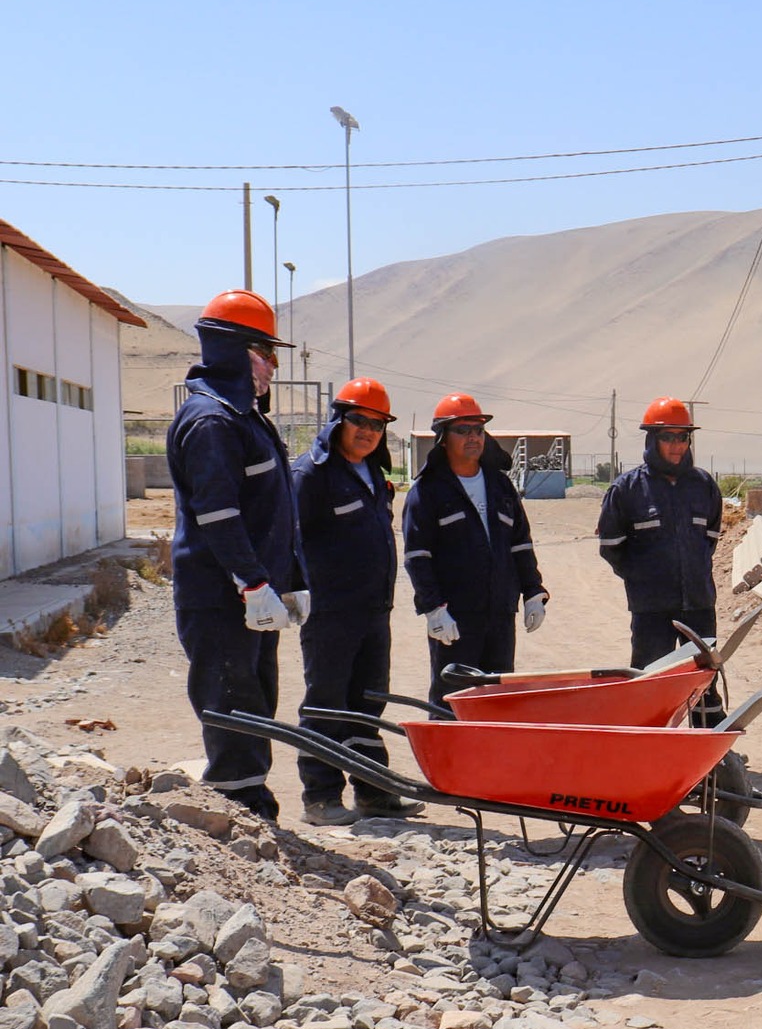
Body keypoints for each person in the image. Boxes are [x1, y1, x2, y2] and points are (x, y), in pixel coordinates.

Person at [166, 289, 306, 822]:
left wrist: (289, 580)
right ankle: (236, 810)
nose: (272, 365)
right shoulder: (212, 421)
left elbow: (276, 512)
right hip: (221, 598)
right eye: (265, 352)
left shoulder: (247, 419)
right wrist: (251, 583)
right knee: (230, 700)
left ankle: (252, 808)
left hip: (253, 597)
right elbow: (217, 514)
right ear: (233, 351)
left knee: (255, 695)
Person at [291, 378, 419, 825]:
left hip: (372, 611)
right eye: (359, 421)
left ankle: (375, 793)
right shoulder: (312, 474)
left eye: (378, 424)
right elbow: (290, 540)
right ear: (338, 421)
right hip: (330, 613)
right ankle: (320, 797)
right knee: (327, 702)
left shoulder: (373, 474)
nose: (368, 431)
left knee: (367, 705)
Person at [402, 393, 548, 707]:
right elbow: (417, 557)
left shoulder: (501, 486)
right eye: (463, 430)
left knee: (497, 700)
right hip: (454, 620)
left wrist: (533, 592)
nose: (473, 437)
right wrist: (433, 609)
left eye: (478, 430)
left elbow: (521, 543)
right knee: (451, 702)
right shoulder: (428, 491)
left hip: (500, 615)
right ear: (443, 438)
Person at [595, 397, 725, 719]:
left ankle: (709, 755)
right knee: (649, 680)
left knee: (703, 682)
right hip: (652, 609)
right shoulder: (627, 490)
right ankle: (647, 749)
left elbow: (709, 539)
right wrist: (644, 577)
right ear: (652, 440)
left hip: (698, 604)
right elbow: (612, 547)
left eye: (683, 437)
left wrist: (690, 571)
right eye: (668, 437)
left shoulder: (704, 486)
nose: (677, 445)